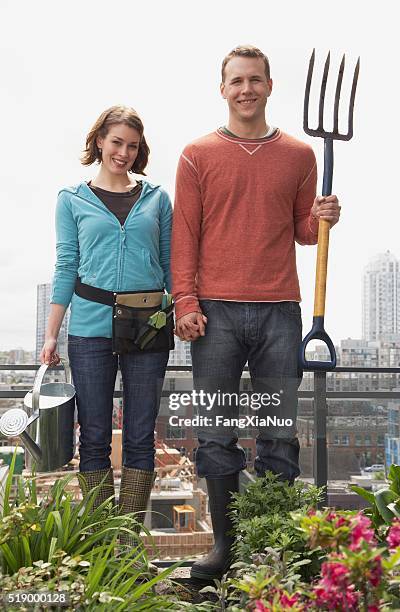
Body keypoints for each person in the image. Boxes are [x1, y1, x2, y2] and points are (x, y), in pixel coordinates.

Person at [171, 46, 340, 580]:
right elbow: (185, 236)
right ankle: (225, 549)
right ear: (222, 89)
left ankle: (268, 549)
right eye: (236, 81)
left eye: (255, 80)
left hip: (278, 313)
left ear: (270, 86)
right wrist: (186, 302)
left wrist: (324, 216)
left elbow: (304, 232)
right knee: (216, 432)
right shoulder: (196, 154)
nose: (246, 89)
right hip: (215, 315)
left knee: (278, 435)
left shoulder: (299, 155)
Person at [40, 105, 172, 542]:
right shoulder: (72, 200)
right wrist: (51, 334)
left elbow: (171, 265)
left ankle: (127, 541)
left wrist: (184, 310)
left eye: (132, 146)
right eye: (116, 142)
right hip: (91, 328)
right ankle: (101, 538)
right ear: (99, 141)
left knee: (140, 436)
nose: (124, 152)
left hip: (147, 327)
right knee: (93, 436)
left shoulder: (157, 198)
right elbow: (66, 266)